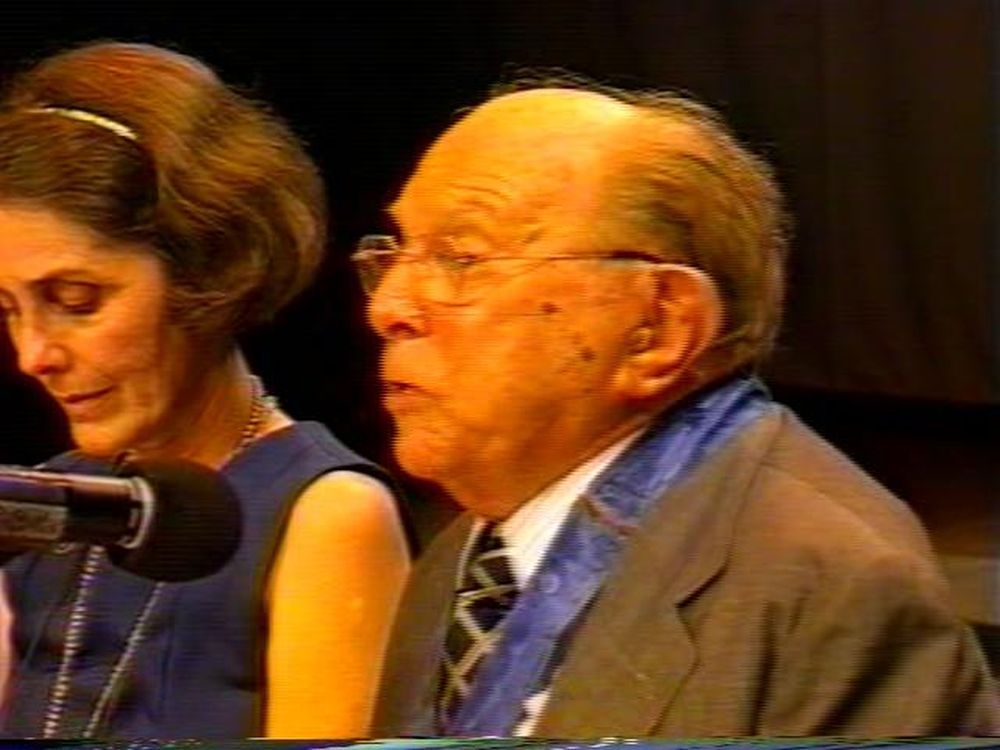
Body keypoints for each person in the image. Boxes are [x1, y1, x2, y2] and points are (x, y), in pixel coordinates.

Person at [357, 78, 1000, 736]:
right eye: (397, 252)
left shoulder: (828, 586)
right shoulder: (469, 548)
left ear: (657, 328)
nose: (387, 307)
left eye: (460, 259)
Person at [0, 42, 409, 739]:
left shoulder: (328, 515)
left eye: (76, 301)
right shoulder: (44, 506)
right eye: (9, 309)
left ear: (205, 273)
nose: (33, 355)